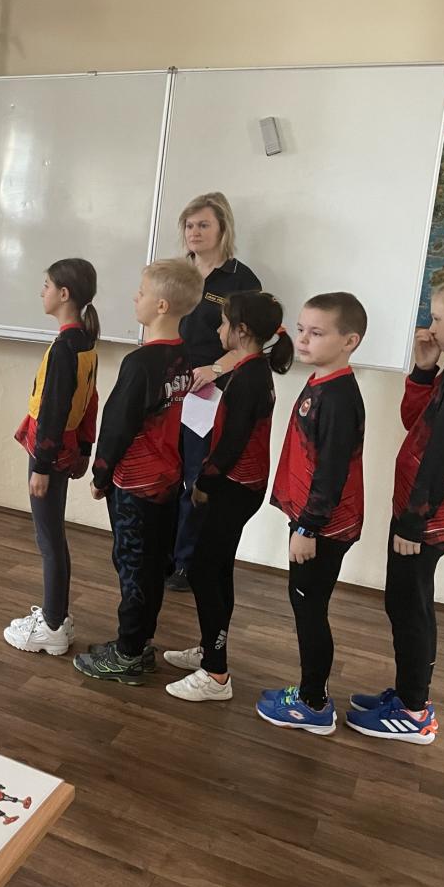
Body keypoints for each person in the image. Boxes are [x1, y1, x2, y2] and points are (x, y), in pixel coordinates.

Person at [346, 274, 444, 744]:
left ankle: (414, 711)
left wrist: (414, 523)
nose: (431, 327)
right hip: (424, 512)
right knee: (407, 601)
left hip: (427, 518)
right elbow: (416, 423)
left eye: (437, 318)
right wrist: (423, 371)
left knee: (409, 606)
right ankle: (407, 694)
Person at [73, 259, 201, 685]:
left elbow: (118, 425)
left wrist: (101, 475)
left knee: (133, 567)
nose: (135, 297)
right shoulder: (184, 356)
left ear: (161, 305)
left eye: (142, 292)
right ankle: (138, 643)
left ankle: (128, 654)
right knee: (149, 565)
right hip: (166, 481)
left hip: (136, 485)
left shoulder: (141, 363)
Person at [163, 292, 293, 702]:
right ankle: (209, 647)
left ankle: (216, 674)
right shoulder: (251, 369)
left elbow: (232, 444)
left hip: (234, 488)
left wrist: (204, 483)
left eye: (223, 323)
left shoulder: (250, 377)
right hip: (238, 487)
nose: (218, 330)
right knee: (215, 569)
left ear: (241, 330)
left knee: (206, 572)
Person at [257, 292, 367, 735]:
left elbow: (332, 471)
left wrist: (308, 528)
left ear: (349, 341)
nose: (302, 339)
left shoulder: (338, 397)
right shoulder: (322, 380)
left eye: (316, 333)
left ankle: (314, 704)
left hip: (323, 525)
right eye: (301, 329)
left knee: (309, 607)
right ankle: (309, 691)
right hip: (312, 519)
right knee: (304, 602)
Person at [3, 259, 100, 655]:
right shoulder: (85, 342)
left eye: (46, 285)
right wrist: (85, 449)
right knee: (53, 535)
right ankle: (56, 615)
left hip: (50, 453)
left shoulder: (65, 348)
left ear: (64, 294)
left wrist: (41, 467)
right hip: (65, 450)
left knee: (49, 539)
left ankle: (53, 625)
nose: (40, 292)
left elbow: (55, 410)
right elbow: (91, 403)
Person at [167, 193, 262, 593]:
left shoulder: (241, 280)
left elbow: (251, 343)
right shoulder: (175, 272)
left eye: (203, 225)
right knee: (166, 473)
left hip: (211, 394)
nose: (195, 232)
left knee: (195, 478)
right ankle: (162, 553)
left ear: (223, 228)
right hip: (169, 389)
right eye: (189, 226)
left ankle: (186, 562)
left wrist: (215, 369)